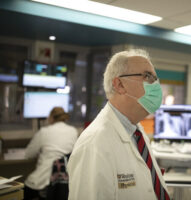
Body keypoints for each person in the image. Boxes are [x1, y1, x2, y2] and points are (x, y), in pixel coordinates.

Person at [67, 49, 170, 200]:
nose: (155, 85)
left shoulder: (136, 133)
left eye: (155, 78)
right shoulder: (95, 143)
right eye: (148, 76)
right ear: (119, 84)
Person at [24, 107, 78, 200]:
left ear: (52, 117)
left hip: (43, 181)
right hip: (65, 182)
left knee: (25, 187)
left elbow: (29, 154)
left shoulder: (44, 131)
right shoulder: (73, 131)